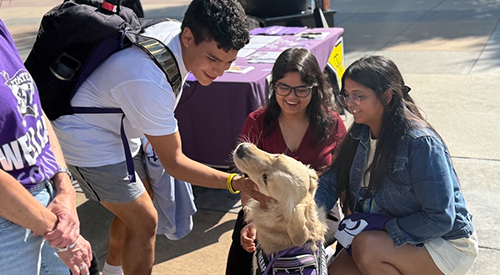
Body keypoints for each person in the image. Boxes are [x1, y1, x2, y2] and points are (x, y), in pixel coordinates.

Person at [51, 0, 255, 274]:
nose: (219, 71)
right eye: (213, 59)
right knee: (144, 221)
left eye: (229, 62)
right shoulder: (149, 80)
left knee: (140, 201)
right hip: (87, 140)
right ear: (188, 37)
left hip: (120, 127)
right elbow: (175, 163)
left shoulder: (172, 32)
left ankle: (112, 271)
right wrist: (234, 182)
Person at [314, 55, 478, 275]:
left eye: (358, 96)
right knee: (338, 270)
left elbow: (440, 218)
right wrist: (300, 219)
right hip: (383, 236)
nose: (350, 104)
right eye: (347, 95)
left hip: (443, 242)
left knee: (366, 248)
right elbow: (328, 186)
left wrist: (383, 227)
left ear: (387, 96)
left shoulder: (420, 143)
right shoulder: (359, 134)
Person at [226, 48, 347, 275]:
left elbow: (343, 180)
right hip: (263, 207)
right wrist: (249, 221)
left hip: (314, 210)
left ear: (315, 89)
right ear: (274, 86)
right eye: (283, 87)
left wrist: (350, 231)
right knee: (243, 244)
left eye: (301, 89)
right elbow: (246, 182)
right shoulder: (257, 122)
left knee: (301, 244)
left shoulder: (333, 124)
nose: (291, 97)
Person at [0, 5, 93, 275]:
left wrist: (64, 188)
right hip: (10, 224)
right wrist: (62, 236)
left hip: (48, 203)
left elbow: (34, 114)